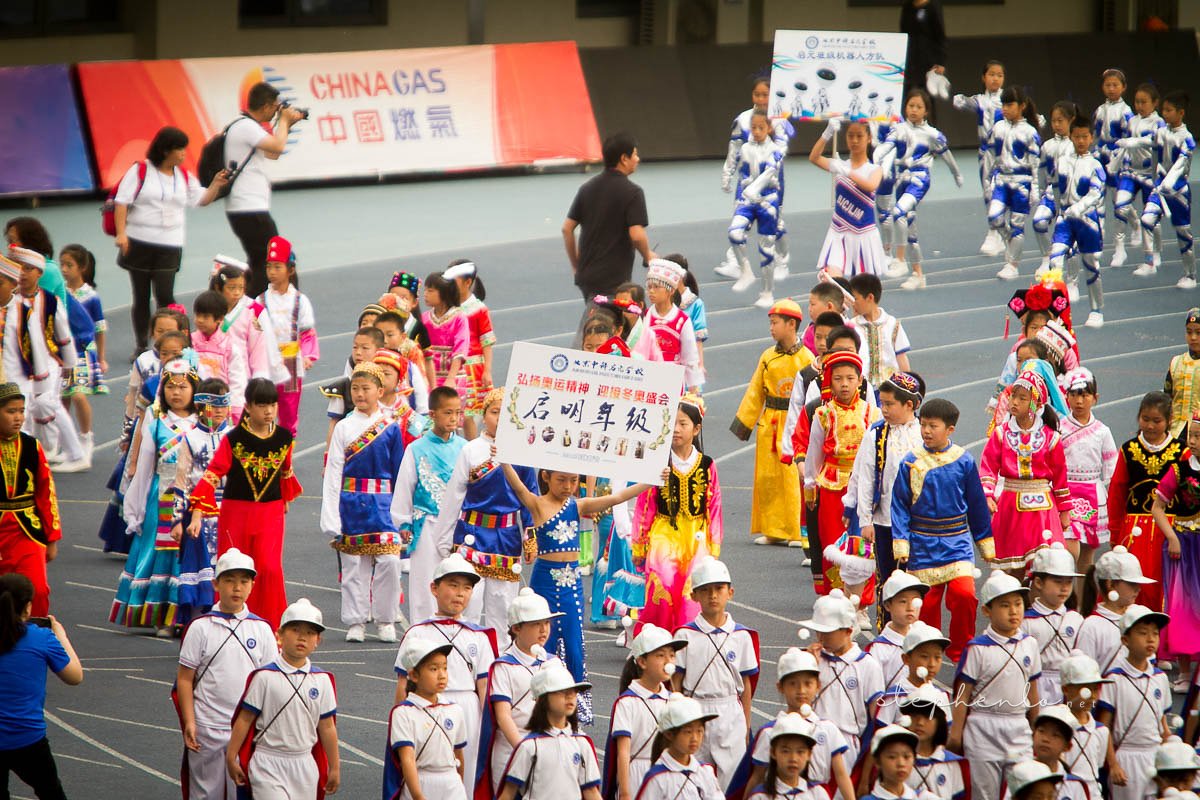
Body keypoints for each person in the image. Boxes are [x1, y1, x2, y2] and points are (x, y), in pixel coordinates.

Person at [502, 461, 650, 725]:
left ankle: (573, 711)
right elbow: (517, 486)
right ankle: (535, 706)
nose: (568, 486)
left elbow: (616, 497)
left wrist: (649, 481)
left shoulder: (577, 505)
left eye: (573, 481)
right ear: (546, 476)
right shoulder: (537, 504)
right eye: (562, 480)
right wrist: (503, 458)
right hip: (544, 581)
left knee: (573, 644)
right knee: (539, 642)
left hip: (571, 585)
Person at [189, 378, 302, 630]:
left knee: (269, 569)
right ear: (248, 407)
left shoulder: (284, 438)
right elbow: (213, 473)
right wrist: (197, 510)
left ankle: (270, 629)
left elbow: (285, 473)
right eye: (262, 405)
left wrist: (284, 503)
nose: (269, 411)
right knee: (234, 567)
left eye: (272, 404)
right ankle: (228, 625)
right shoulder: (234, 439)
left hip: (270, 514)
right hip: (236, 512)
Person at [427, 387, 536, 635]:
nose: (500, 419)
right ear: (484, 415)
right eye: (495, 412)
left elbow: (529, 498)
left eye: (507, 413)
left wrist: (530, 537)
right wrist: (444, 536)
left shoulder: (522, 451)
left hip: (506, 537)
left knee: (503, 604)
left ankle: (498, 656)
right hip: (472, 533)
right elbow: (454, 496)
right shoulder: (471, 450)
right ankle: (464, 650)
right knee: (468, 600)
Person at [174, 548, 278, 800]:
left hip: (246, 729)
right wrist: (190, 721)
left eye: (244, 581)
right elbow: (185, 679)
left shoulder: (262, 629)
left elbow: (271, 684)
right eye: (229, 581)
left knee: (241, 791)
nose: (237, 588)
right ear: (216, 584)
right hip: (207, 726)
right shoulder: (200, 627)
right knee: (205, 792)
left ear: (253, 585)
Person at [113, 126, 228, 351]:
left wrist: (215, 185)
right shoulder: (141, 171)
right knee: (141, 295)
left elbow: (200, 200)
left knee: (165, 295)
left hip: (170, 244)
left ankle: (174, 341)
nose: (184, 153)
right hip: (139, 241)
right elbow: (122, 201)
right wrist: (121, 233)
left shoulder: (184, 175)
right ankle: (141, 345)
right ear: (166, 150)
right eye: (180, 149)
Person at [393, 553, 498, 793]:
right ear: (434, 588)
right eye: (453, 585)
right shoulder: (417, 633)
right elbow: (403, 683)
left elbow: (484, 687)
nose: (460, 593)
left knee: (467, 772)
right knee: (422, 769)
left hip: (468, 710)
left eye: (467, 588)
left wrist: (489, 727)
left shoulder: (479, 637)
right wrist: (399, 719)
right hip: (423, 708)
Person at [322, 363, 408, 644]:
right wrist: (331, 514)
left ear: (380, 391)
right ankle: (356, 620)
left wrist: (402, 514)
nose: (359, 394)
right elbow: (334, 470)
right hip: (351, 503)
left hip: (383, 504)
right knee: (353, 566)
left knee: (390, 562)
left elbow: (399, 473)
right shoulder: (344, 427)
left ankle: (385, 618)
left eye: (366, 388)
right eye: (355, 389)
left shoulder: (391, 427)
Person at [112, 359, 198, 635]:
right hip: (160, 495)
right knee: (158, 550)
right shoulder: (157, 420)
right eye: (170, 386)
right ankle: (159, 614)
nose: (176, 392)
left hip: (194, 497)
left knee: (188, 555)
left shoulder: (203, 423)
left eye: (183, 386)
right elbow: (145, 468)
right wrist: (134, 508)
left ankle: (185, 615)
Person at [226, 598, 340, 798]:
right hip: (267, 762)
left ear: (318, 641)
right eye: (295, 630)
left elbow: (327, 726)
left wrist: (335, 767)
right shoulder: (264, 677)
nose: (302, 638)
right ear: (279, 634)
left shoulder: (322, 680)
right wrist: (231, 756)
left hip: (304, 764)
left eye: (310, 633)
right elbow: (245, 719)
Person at [633, 395, 722, 632]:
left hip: (697, 537)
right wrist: (639, 545)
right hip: (664, 534)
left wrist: (713, 548)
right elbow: (645, 505)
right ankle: (656, 638)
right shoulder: (658, 462)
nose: (676, 430)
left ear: (696, 428)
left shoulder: (707, 464)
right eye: (671, 424)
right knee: (662, 583)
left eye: (682, 424)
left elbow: (714, 507)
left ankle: (689, 638)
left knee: (691, 591)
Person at [951, 572, 1042, 800]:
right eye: (1004, 605)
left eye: (1018, 604)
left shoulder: (1029, 644)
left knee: (1021, 789)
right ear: (986, 611)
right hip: (982, 727)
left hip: (1018, 725)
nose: (1013, 611)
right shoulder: (977, 648)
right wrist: (956, 733)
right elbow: (963, 694)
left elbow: (1033, 691)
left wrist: (1036, 726)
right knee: (984, 792)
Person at [730, 298, 812, 546]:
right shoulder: (767, 357)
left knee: (791, 477)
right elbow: (756, 391)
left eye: (775, 323)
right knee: (767, 479)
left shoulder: (807, 358)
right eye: (770, 323)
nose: (771, 328)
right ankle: (773, 529)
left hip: (794, 422)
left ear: (791, 324)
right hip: (770, 422)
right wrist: (744, 423)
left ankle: (796, 531)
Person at [671, 559, 759, 788]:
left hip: (730, 712)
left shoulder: (741, 636)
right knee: (691, 779)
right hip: (695, 711)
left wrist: (746, 726)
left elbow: (746, 685)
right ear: (694, 596)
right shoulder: (685, 635)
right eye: (705, 590)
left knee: (732, 780)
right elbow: (676, 682)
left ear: (730, 592)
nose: (713, 596)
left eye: (719, 589)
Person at [804, 351, 881, 603]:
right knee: (834, 543)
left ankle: (860, 602)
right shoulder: (822, 414)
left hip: (864, 488)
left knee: (863, 543)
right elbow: (814, 452)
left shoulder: (873, 414)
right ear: (829, 381)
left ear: (860, 380)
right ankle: (835, 598)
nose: (844, 384)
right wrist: (809, 484)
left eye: (850, 378)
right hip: (831, 486)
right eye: (838, 378)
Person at [563, 132, 654, 345]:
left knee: (603, 326)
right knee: (603, 330)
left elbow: (567, 229)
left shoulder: (587, 188)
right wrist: (649, 255)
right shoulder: (632, 192)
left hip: (588, 274)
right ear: (624, 158)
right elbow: (636, 234)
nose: (638, 159)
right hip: (614, 278)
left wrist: (577, 265)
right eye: (635, 154)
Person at [728, 647, 854, 800]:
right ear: (780, 687)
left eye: (808, 683)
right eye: (793, 684)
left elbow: (841, 776)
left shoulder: (827, 729)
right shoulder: (769, 732)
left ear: (818, 686)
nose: (801, 690)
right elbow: (757, 777)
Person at [979, 368, 1072, 575]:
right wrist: (988, 494)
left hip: (1043, 510)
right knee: (1014, 570)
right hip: (1011, 505)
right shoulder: (1001, 434)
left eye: (1022, 398)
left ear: (1037, 404)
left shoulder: (1051, 438)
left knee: (1046, 565)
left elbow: (1060, 477)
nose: (1014, 402)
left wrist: (1065, 510)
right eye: (1013, 395)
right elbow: (988, 467)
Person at [0, 573, 82, 800]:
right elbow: (74, 676)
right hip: (27, 736)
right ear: (27, 608)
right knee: (50, 792)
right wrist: (61, 636)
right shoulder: (41, 637)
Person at [477, 587, 565, 797]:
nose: (544, 630)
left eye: (546, 623)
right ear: (516, 628)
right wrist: (524, 749)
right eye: (536, 624)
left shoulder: (554, 662)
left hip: (549, 746)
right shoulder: (503, 666)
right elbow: (503, 715)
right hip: (512, 750)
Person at [391, 385, 467, 624]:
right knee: (425, 583)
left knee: (458, 583)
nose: (453, 418)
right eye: (447, 413)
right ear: (432, 414)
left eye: (457, 413)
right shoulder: (416, 448)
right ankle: (421, 632)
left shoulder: (465, 448)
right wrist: (403, 521)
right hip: (426, 524)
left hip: (457, 526)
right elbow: (405, 486)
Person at [224, 81, 306, 298]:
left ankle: (255, 308)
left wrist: (286, 125)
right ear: (268, 106)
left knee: (261, 261)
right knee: (273, 260)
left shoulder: (245, 127)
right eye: (275, 108)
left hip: (246, 207)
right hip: (249, 207)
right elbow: (277, 147)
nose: (276, 113)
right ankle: (273, 304)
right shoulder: (246, 127)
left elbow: (272, 153)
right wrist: (285, 121)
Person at [875, 88, 963, 290]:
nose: (914, 110)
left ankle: (899, 260)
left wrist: (956, 173)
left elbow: (947, 156)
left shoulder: (932, 134)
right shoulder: (898, 129)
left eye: (919, 107)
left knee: (898, 213)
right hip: (902, 179)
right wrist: (875, 158)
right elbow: (886, 146)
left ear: (926, 111)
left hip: (920, 179)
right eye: (910, 106)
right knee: (910, 227)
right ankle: (918, 274)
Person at [846, 372, 924, 600]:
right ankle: (887, 628)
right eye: (882, 403)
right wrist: (866, 520)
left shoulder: (923, 434)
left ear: (909, 405)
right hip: (884, 521)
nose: (884, 409)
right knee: (888, 579)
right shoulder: (876, 435)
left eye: (890, 404)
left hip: (918, 521)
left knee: (915, 577)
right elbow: (865, 477)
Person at [9, 247, 87, 472]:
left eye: (28, 269)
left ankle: (75, 453)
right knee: (21, 406)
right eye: (19, 268)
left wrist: (70, 365)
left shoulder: (50, 302)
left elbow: (64, 336)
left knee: (47, 402)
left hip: (49, 361)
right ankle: (28, 455)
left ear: (39, 273)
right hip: (19, 364)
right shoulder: (10, 300)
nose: (22, 273)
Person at [1107, 392, 1184, 609]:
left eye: (1157, 421)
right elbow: (1117, 493)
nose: (1150, 426)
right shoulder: (1129, 450)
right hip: (1133, 533)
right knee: (1131, 584)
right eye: (1145, 419)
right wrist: (1115, 533)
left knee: (1165, 589)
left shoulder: (1181, 452)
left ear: (1169, 421)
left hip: (1169, 532)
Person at [717, 76, 796, 283]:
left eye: (765, 95)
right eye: (757, 94)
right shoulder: (742, 120)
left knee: (774, 223)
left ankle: (781, 261)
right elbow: (734, 149)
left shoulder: (779, 120)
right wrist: (727, 174)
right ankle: (735, 261)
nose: (761, 98)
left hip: (771, 182)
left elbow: (780, 150)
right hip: (745, 181)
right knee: (740, 217)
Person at [799, 589, 885, 770]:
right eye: (818, 632)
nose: (821, 638)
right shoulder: (811, 659)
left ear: (848, 630)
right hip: (810, 744)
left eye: (828, 632)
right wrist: (807, 669)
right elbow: (797, 705)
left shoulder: (867, 665)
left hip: (848, 747)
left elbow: (876, 718)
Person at [172, 378, 234, 626]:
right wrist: (177, 520)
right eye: (213, 404)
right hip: (198, 514)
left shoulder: (234, 436)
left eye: (223, 404)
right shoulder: (190, 438)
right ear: (200, 406)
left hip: (229, 510)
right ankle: (199, 628)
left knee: (229, 569)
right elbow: (182, 481)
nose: (219, 410)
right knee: (201, 574)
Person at [1095, 604, 1171, 800]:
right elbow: (1104, 727)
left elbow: (1162, 723)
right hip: (1126, 757)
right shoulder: (1114, 678)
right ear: (1125, 640)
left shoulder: (1160, 677)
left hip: (1154, 756)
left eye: (1155, 633)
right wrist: (1113, 765)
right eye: (1143, 633)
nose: (1150, 638)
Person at [602, 624, 685, 800]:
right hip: (636, 775)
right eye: (661, 655)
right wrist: (625, 793)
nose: (668, 661)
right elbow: (623, 751)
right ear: (642, 661)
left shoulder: (673, 700)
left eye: (672, 655)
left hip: (667, 775)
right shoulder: (627, 702)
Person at [0, 384, 62, 620]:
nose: (17, 418)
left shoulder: (31, 446)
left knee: (37, 589)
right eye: (10, 411)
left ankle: (34, 639)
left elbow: (46, 493)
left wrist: (52, 537)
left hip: (26, 530)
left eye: (21, 411)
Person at [496, 663, 601, 800]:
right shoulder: (530, 746)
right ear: (542, 699)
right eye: (563, 691)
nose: (571, 696)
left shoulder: (581, 743)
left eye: (574, 691)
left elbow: (591, 791)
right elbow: (508, 794)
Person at [383, 635, 468, 800]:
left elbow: (458, 754)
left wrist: (459, 785)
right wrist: (418, 796)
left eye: (445, 667)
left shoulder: (454, 709)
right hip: (420, 781)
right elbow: (407, 759)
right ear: (414, 675)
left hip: (451, 782)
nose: (442, 675)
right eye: (434, 669)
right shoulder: (403, 713)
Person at [1149, 414, 1200, 689]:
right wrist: (1172, 537)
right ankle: (1183, 672)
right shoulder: (1178, 471)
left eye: (1198, 436)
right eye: (1191, 435)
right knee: (1182, 607)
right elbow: (1158, 507)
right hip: (1184, 546)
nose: (1193, 441)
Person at [1059, 367, 1118, 591]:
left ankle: (1083, 604)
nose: (1079, 400)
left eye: (1085, 395)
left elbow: (1111, 466)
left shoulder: (1102, 431)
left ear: (1095, 398)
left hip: (1092, 494)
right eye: (1074, 394)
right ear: (1067, 396)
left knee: (1087, 555)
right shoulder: (1060, 428)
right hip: (1066, 494)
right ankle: (1064, 597)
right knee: (1068, 549)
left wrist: (1112, 494)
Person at [210, 255, 287, 423]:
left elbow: (260, 350)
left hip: (242, 379)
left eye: (240, 287)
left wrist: (260, 381)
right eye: (231, 287)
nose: (237, 292)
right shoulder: (209, 309)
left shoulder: (253, 310)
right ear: (219, 287)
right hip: (214, 374)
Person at [1048, 115, 1108, 328]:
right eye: (1076, 137)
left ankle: (1096, 310)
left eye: (1085, 137)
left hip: (1087, 221)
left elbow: (1096, 194)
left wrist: (1078, 208)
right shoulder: (1062, 161)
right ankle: (1055, 313)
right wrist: (1056, 209)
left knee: (1091, 264)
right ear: (1071, 137)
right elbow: (1055, 186)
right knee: (1054, 260)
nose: (1081, 141)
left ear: (1091, 137)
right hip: (1065, 219)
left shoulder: (1096, 166)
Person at [811, 117, 888, 279]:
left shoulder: (875, 169)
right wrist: (827, 132)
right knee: (832, 282)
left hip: (863, 235)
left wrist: (847, 172)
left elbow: (870, 185)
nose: (854, 140)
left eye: (859, 136)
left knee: (861, 290)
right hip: (838, 232)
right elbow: (814, 158)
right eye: (850, 135)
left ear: (869, 138)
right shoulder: (840, 165)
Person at [725, 109, 787, 306]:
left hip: (768, 201)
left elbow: (769, 173)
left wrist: (754, 188)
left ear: (769, 128)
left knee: (766, 248)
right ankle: (745, 271)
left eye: (761, 127)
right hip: (748, 201)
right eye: (754, 127)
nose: (757, 131)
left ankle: (767, 292)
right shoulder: (745, 149)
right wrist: (740, 183)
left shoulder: (775, 151)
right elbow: (741, 171)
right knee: (735, 234)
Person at [257, 236, 317, 436]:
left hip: (291, 364)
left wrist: (308, 355)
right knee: (263, 411)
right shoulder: (260, 300)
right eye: (269, 267)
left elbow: (307, 332)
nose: (272, 272)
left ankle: (285, 463)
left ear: (290, 270)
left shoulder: (300, 301)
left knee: (289, 416)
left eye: (277, 267)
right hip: (267, 363)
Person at [1137, 89, 1195, 288]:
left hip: (1178, 192)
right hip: (1159, 187)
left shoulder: (1187, 139)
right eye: (1163, 110)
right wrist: (1154, 179)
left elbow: (1180, 167)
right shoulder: (1160, 133)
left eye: (1169, 110)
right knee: (1146, 219)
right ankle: (1150, 261)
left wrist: (1168, 183)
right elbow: (1155, 158)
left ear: (1180, 113)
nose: (1165, 114)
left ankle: (1190, 275)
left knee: (1183, 234)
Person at [987, 86, 1043, 281]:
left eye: (1010, 104)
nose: (1005, 109)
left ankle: (1012, 264)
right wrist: (991, 179)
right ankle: (1010, 243)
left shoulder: (1030, 132)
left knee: (1017, 224)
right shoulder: (998, 128)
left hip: (1022, 184)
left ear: (1022, 106)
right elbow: (993, 157)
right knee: (994, 217)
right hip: (1002, 181)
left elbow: (1036, 165)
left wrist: (1035, 189)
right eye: (1004, 104)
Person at [952, 60, 1007, 256]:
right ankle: (994, 231)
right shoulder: (979, 100)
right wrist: (956, 98)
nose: (995, 78)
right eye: (992, 74)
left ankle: (1000, 231)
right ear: (984, 78)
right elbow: (963, 102)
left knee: (1003, 190)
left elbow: (1026, 112)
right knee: (988, 192)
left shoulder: (1008, 100)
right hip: (986, 154)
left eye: (999, 75)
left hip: (1005, 153)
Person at [58, 244, 107, 460]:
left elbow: (99, 327)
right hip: (61, 351)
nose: (64, 269)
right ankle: (65, 444)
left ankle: (86, 437)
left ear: (82, 268)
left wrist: (102, 357)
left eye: (69, 265)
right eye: (62, 265)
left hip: (83, 352)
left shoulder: (91, 296)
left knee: (78, 395)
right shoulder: (60, 293)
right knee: (62, 400)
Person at [1075, 546, 1154, 675]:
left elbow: (1149, 664)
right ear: (1110, 584)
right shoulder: (1091, 626)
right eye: (1131, 584)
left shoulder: (1141, 615)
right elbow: (1083, 673)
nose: (1138, 589)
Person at [1022, 545, 1085, 705]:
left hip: (1070, 687)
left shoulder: (1076, 619)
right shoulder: (1026, 622)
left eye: (1069, 582)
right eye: (1057, 582)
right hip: (1036, 686)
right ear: (1038, 582)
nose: (1064, 588)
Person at [1112, 83, 1166, 268]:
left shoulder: (1159, 123)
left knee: (1150, 218)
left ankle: (1154, 254)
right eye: (1137, 102)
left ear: (1155, 103)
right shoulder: (1132, 121)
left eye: (1144, 102)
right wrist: (1117, 160)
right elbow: (1126, 146)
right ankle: (1120, 249)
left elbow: (1154, 141)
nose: (1140, 106)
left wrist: (1133, 142)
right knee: (1120, 206)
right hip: (1131, 173)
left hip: (1150, 176)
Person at [633, 693, 722, 800]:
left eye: (699, 731)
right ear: (669, 734)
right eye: (688, 732)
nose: (695, 738)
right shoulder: (658, 778)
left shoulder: (705, 772)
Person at [444, 260, 494, 440]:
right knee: (452, 411)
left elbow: (486, 341)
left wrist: (487, 370)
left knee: (468, 415)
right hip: (452, 368)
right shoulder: (447, 308)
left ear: (467, 282)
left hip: (473, 369)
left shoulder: (478, 309)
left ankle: (472, 451)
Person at [1033, 101, 1082, 273]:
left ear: (1071, 120)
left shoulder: (1077, 146)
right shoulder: (1047, 146)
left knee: (1069, 238)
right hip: (1051, 194)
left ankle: (1071, 278)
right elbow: (1042, 171)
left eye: (1060, 120)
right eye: (1054, 121)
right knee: (1038, 221)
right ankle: (1046, 257)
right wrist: (1039, 192)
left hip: (1070, 197)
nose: (1056, 124)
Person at [866, 574, 932, 694]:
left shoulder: (924, 639)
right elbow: (873, 692)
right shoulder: (878, 649)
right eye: (903, 601)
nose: (910, 607)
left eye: (915, 601)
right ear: (887, 605)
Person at [1059, 651, 1112, 800]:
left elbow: (1098, 764)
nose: (1092, 696)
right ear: (1066, 689)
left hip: (1092, 793)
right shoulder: (1056, 726)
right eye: (1085, 690)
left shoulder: (1101, 730)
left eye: (1095, 689)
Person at [644, 259, 703, 390]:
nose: (651, 291)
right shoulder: (645, 317)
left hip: (672, 381)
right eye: (649, 287)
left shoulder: (681, 321)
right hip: (647, 378)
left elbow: (690, 357)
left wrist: (694, 391)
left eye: (656, 287)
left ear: (671, 291)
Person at [742, 712, 829, 800]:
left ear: (809, 754)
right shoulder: (760, 796)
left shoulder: (818, 794)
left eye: (800, 752)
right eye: (785, 751)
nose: (793, 758)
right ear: (773, 752)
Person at [1093, 69, 1134, 248]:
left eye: (1115, 85)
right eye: (1107, 85)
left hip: (1118, 159)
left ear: (1123, 87)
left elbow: (1129, 140)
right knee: (1097, 197)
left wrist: (1119, 160)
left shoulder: (1126, 112)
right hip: (1101, 157)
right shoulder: (1100, 110)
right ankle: (1099, 235)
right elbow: (1095, 135)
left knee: (1119, 200)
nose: (1111, 89)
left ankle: (1133, 226)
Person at [849, 274, 911, 388]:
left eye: (856, 299)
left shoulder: (892, 324)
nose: (853, 303)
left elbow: (901, 357)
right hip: (861, 387)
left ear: (870, 298)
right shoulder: (852, 326)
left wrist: (907, 386)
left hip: (889, 387)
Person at [899, 0, 946, 123]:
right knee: (907, 94)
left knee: (927, 97)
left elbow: (940, 36)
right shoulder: (907, 7)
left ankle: (931, 131)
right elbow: (903, 32)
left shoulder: (933, 6)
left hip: (928, 61)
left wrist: (940, 62)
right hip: (909, 59)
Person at [422, 271, 469, 395]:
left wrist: (451, 378)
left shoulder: (459, 318)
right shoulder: (424, 319)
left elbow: (460, 350)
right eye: (425, 290)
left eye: (430, 291)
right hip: (429, 378)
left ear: (444, 293)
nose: (425, 294)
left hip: (453, 378)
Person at [859, 724, 928, 799]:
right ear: (878, 762)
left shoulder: (922, 797)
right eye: (892, 757)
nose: (901, 763)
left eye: (906, 757)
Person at [190, 290, 242, 388]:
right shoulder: (189, 343)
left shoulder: (229, 347)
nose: (200, 320)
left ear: (220, 318)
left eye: (205, 317)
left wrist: (234, 402)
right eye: (198, 315)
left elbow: (237, 380)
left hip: (221, 399)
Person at [1166, 309, 1200, 436]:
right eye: (1189, 332)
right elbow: (1167, 397)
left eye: (1198, 332)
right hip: (1175, 431)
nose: (1193, 337)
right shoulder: (1176, 362)